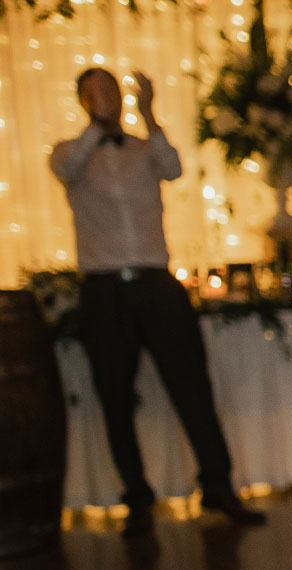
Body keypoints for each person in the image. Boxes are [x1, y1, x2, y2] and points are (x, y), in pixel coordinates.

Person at [49, 67, 266, 537]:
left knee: (192, 386)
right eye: (95, 91)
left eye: (111, 89)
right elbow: (64, 170)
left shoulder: (147, 148)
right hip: (104, 288)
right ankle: (137, 497)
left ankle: (218, 485)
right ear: (83, 100)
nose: (106, 98)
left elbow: (174, 167)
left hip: (157, 283)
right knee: (114, 394)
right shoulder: (71, 153)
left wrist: (151, 115)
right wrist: (97, 127)